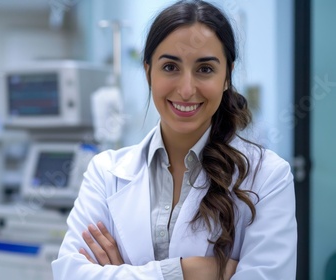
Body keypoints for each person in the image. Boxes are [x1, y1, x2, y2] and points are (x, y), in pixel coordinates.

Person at [51, 0, 297, 279]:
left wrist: (124, 273)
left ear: (227, 76)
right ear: (148, 73)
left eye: (205, 69)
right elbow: (70, 274)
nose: (186, 89)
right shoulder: (105, 173)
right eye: (170, 67)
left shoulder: (268, 177)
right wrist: (183, 271)